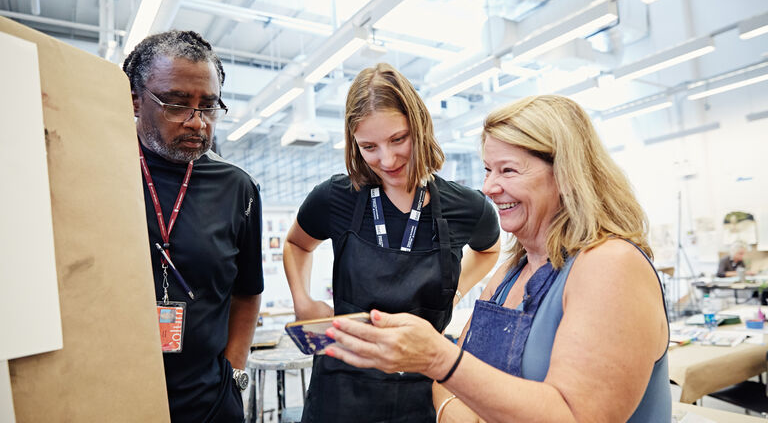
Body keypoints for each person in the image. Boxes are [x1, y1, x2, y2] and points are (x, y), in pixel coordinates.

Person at [324, 95, 672, 422]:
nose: (489, 187)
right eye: (488, 170)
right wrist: (451, 408)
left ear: (567, 174)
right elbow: (453, 381)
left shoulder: (609, 265)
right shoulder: (510, 273)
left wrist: (436, 357)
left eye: (507, 171)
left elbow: (577, 416)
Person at [283, 62, 501, 422]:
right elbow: (297, 244)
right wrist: (303, 301)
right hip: (342, 387)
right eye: (369, 146)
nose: (386, 159)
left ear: (419, 125)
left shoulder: (467, 207)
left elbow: (489, 250)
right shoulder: (337, 197)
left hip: (424, 385)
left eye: (398, 139)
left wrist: (457, 291)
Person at [123, 30, 263, 422]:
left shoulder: (237, 187)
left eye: (209, 106)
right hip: (114, 396)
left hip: (210, 403)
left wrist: (234, 372)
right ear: (134, 100)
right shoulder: (99, 171)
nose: (196, 122)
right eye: (176, 104)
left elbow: (248, 292)